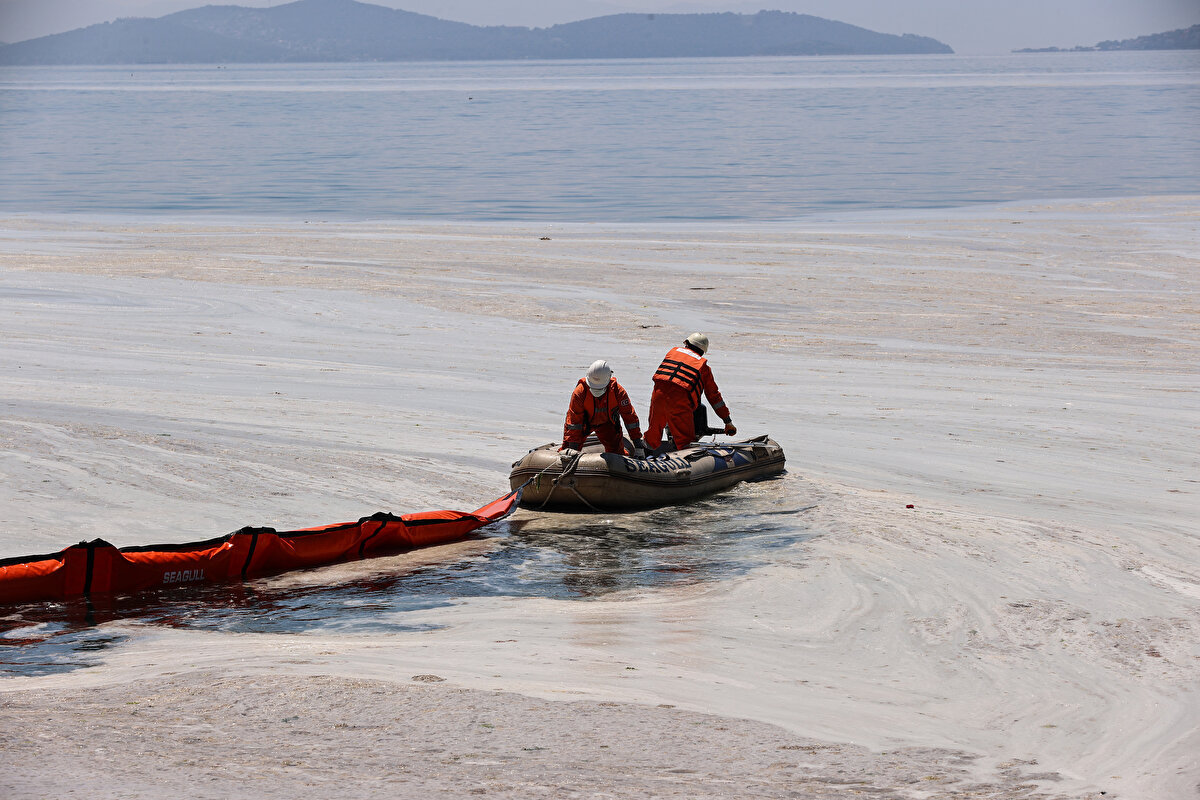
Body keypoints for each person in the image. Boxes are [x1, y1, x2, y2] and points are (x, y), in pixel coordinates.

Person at [644, 332, 736, 452]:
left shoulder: (673, 353)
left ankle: (643, 455)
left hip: (658, 395)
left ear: (686, 343)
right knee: (685, 442)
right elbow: (714, 397)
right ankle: (683, 462)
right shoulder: (703, 368)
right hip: (680, 402)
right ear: (703, 351)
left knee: (653, 432)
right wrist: (727, 421)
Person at [559, 360, 646, 459]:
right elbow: (574, 422)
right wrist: (573, 449)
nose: (596, 391)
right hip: (584, 424)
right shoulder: (580, 392)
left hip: (607, 424)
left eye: (599, 388)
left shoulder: (618, 391)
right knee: (567, 450)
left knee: (617, 454)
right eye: (593, 388)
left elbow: (630, 418)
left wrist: (638, 445)